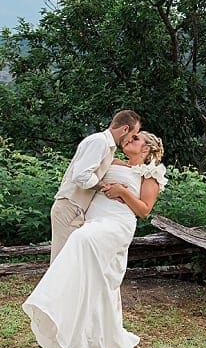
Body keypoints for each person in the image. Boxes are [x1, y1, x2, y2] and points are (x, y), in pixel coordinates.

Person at [23, 131, 167, 348]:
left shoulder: (150, 174)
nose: (132, 137)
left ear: (146, 150)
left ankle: (78, 342)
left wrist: (123, 192)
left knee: (82, 240)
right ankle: (62, 345)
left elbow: (143, 210)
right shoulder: (109, 160)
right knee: (89, 281)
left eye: (138, 138)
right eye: (132, 135)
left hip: (116, 224)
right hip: (93, 218)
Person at [50, 110, 141, 263]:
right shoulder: (100, 142)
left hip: (76, 209)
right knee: (63, 264)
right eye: (133, 135)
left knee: (73, 264)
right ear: (125, 129)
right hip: (69, 207)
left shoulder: (107, 146)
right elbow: (81, 175)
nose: (130, 140)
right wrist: (104, 186)